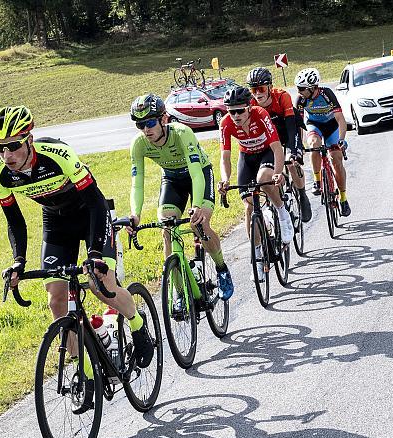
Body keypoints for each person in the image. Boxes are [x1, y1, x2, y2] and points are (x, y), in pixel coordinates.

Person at [0, 106, 154, 377]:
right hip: (56, 223)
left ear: (29, 139)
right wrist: (18, 261)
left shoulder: (58, 155)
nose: (7, 155)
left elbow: (96, 203)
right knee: (56, 301)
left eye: (13, 146)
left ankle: (136, 322)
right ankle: (83, 372)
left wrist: (95, 252)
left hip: (90, 216)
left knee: (103, 287)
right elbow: (15, 221)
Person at [127, 94, 234, 301]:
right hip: (172, 179)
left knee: (198, 224)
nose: (146, 130)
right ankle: (179, 292)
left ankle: (222, 269)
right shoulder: (139, 144)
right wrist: (135, 214)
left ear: (164, 119)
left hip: (199, 174)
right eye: (140, 125)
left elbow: (195, 172)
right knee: (167, 229)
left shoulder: (182, 133)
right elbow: (137, 182)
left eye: (150, 122)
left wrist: (196, 206)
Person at [216, 86, 294, 282]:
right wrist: (225, 179)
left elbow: (277, 148)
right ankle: (258, 258)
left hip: (266, 153)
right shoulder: (225, 123)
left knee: (264, 180)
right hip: (247, 158)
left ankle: (283, 215)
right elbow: (225, 157)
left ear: (249, 107)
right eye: (231, 111)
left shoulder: (261, 114)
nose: (235, 115)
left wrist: (277, 174)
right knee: (249, 206)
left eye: (239, 110)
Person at [246, 66, 312, 222]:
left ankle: (302, 195)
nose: (257, 93)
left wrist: (292, 151)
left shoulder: (282, 97)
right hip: (269, 137)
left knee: (290, 162)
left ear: (269, 87)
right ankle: (277, 198)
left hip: (288, 130)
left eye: (261, 88)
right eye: (253, 90)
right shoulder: (250, 103)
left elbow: (290, 126)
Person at [294, 68, 351, 216]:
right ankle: (317, 180)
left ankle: (343, 199)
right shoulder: (300, 99)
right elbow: (298, 124)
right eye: (297, 88)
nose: (298, 91)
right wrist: (298, 144)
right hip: (314, 125)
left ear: (312, 88)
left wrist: (342, 140)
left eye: (301, 88)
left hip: (332, 126)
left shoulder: (327, 94)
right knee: (313, 144)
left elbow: (340, 119)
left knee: (336, 160)